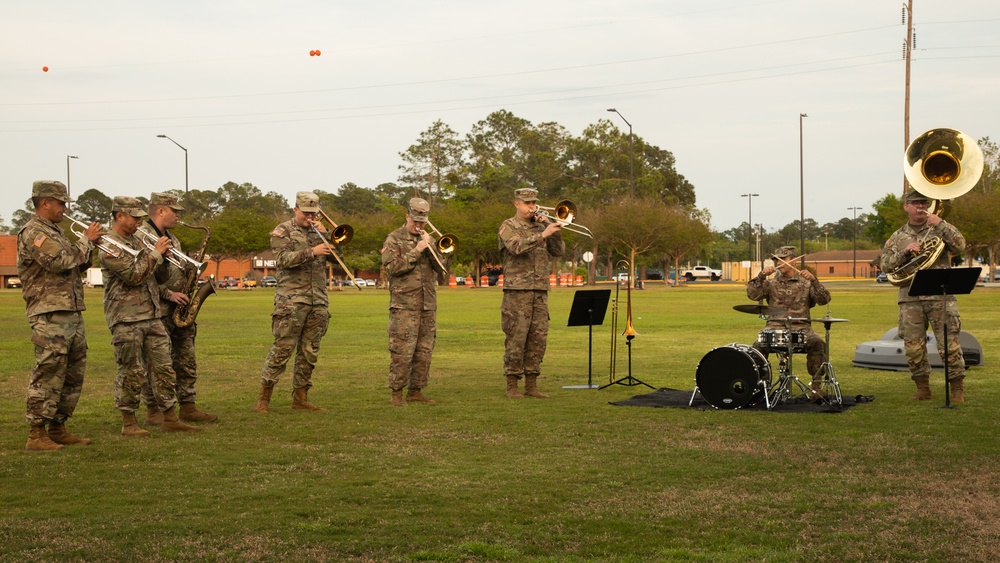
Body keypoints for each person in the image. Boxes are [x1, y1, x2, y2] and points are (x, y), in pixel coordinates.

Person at [100, 196, 201, 436]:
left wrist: (165, 259)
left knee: (165, 367)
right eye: (134, 217)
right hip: (126, 317)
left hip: (152, 313)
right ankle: (129, 422)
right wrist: (155, 254)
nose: (138, 221)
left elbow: (156, 276)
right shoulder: (109, 244)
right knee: (132, 371)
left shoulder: (139, 239)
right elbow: (134, 275)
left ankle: (170, 417)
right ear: (119, 216)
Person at [17, 181, 103, 451]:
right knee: (49, 370)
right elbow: (59, 262)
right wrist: (86, 240)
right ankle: (36, 434)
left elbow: (75, 266)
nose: (64, 209)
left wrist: (92, 247)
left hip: (71, 311)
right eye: (61, 203)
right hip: (49, 313)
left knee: (72, 373)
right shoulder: (34, 232)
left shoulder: (56, 232)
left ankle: (58, 427)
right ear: (44, 203)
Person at [136, 192, 217, 426]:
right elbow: (142, 275)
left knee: (185, 359)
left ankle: (188, 405)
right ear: (160, 210)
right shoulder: (143, 236)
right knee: (156, 363)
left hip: (180, 309)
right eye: (175, 211)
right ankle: (154, 409)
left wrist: (192, 275)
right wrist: (169, 294)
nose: (178, 215)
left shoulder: (172, 238)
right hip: (157, 309)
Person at [880, 189, 968, 402]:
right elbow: (884, 264)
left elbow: (961, 245)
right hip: (910, 298)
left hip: (940, 296)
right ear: (906, 207)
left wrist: (941, 224)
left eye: (924, 203)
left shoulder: (938, 227)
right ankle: (922, 389)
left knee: (949, 344)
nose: (921, 207)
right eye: (916, 203)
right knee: (913, 346)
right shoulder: (898, 236)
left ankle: (957, 389)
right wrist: (905, 252)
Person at [254, 191, 336, 413]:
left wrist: (326, 236)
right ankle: (264, 398)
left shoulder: (319, 232)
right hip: (291, 302)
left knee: (310, 351)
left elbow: (339, 259)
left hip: (318, 300)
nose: (309, 217)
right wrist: (312, 251)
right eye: (306, 212)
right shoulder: (283, 231)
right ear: (296, 209)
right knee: (282, 349)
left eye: (313, 213)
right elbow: (281, 260)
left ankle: (300, 398)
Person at [498, 187, 564, 398]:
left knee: (538, 339)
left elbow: (559, 252)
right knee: (517, 338)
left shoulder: (540, 226)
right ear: (516, 204)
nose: (532, 207)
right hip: (517, 291)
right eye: (527, 203)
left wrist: (551, 229)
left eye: (534, 203)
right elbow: (516, 247)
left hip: (540, 290)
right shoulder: (508, 226)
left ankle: (532, 384)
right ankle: (512, 385)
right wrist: (542, 234)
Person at [380, 197, 447, 407]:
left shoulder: (429, 239)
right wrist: (417, 250)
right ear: (407, 216)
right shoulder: (393, 238)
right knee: (402, 350)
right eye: (415, 220)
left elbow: (442, 271)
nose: (419, 225)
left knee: (424, 350)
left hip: (427, 304)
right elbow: (392, 268)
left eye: (423, 221)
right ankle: (397, 393)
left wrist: (432, 248)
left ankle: (416, 391)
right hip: (404, 305)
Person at [746, 246, 832, 398]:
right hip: (775, 327)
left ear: (794, 260)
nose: (778, 263)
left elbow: (824, 300)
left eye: (782, 259)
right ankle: (759, 386)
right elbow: (753, 296)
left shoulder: (806, 283)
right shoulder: (771, 283)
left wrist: (815, 281)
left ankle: (817, 387)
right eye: (776, 260)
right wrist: (760, 277)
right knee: (757, 346)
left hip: (802, 328)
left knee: (818, 342)